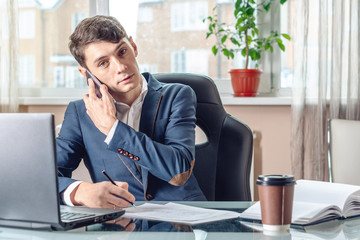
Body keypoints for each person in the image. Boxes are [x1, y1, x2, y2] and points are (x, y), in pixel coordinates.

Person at [56, 15, 206, 209]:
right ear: (86, 74)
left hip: (183, 222)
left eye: (122, 51)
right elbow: (45, 176)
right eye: (103, 63)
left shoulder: (177, 95)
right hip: (121, 225)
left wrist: (113, 129)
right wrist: (79, 191)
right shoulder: (79, 113)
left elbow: (179, 171)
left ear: (133, 47)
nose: (121, 67)